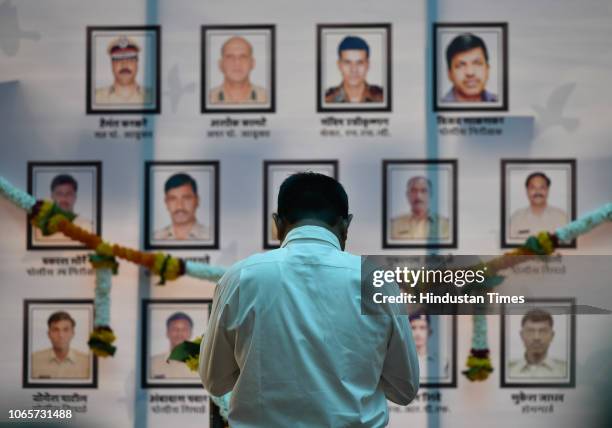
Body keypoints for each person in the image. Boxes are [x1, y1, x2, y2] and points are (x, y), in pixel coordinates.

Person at [201, 172, 419, 426]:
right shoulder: (375, 281)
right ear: (346, 224)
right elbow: (404, 389)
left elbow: (215, 381)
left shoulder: (240, 278)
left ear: (277, 223)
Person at [508, 309, 567, 378]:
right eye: (530, 331)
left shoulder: (565, 370)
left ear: (552, 336)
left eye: (543, 331)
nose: (536, 337)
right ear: (522, 335)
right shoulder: (506, 370)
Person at [325, 35, 384, 103]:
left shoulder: (383, 98)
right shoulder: (326, 99)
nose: (354, 70)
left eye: (360, 63)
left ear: (368, 65)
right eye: (347, 62)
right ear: (339, 65)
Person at [95, 36, 153, 105]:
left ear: (137, 63)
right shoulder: (96, 97)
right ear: (112, 64)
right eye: (118, 59)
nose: (124, 64)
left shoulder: (152, 97)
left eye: (130, 58)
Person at [31, 311, 90, 379]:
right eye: (55, 330)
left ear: (72, 333)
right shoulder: (33, 360)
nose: (61, 335)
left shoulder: (87, 362)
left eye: (66, 330)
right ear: (49, 334)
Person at [209, 36, 267, 105]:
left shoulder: (267, 98)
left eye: (243, 57)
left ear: (252, 63)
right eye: (230, 57)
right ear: (220, 64)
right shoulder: (208, 99)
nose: (237, 63)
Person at [509, 172, 568, 239]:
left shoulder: (562, 217)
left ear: (548, 190)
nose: (537, 192)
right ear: (527, 191)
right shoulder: (516, 218)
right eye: (533, 188)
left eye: (542, 187)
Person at [35, 174, 93, 241]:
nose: (64, 198)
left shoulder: (88, 226)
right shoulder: (39, 228)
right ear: (52, 196)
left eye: (68, 193)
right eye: (59, 194)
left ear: (75, 197)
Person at [442, 33, 498, 103]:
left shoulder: (498, 101)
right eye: (461, 65)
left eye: (477, 63)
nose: (470, 72)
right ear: (449, 74)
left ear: (487, 69)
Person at [390, 176, 450, 240]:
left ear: (431, 195)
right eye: (413, 191)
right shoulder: (393, 225)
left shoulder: (446, 225)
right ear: (407, 195)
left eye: (423, 191)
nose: (418, 196)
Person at [154, 173, 208, 241]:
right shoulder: (155, 238)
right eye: (173, 199)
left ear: (197, 200)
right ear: (166, 203)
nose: (180, 206)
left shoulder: (211, 236)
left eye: (186, 198)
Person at [150, 312, 198, 379]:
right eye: (174, 329)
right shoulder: (152, 363)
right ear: (167, 333)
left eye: (184, 329)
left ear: (190, 333)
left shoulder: (201, 364)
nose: (179, 333)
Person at [409, 312, 449, 381]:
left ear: (429, 331)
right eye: (413, 328)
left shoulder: (442, 362)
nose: (418, 333)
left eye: (422, 328)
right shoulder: (402, 361)